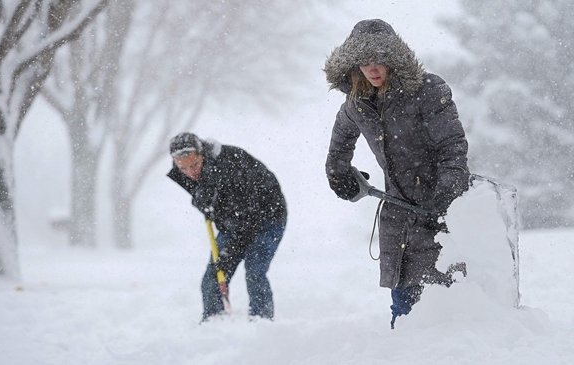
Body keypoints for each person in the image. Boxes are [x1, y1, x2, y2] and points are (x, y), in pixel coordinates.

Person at [323, 19, 470, 328]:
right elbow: (339, 145)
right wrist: (339, 175)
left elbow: (452, 149)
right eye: (365, 61)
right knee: (403, 311)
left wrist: (446, 200)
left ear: (395, 59)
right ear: (354, 64)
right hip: (398, 217)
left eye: (380, 60)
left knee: (448, 305)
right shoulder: (356, 104)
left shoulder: (428, 90)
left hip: (442, 215)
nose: (373, 68)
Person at [167, 132, 287, 322]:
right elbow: (217, 203)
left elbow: (250, 219)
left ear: (202, 153)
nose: (190, 172)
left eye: (194, 165)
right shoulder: (190, 171)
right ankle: (213, 325)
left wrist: (230, 252)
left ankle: (262, 323)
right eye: (183, 168)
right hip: (233, 223)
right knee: (213, 277)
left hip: (267, 218)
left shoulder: (230, 164)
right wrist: (204, 202)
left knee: (254, 271)